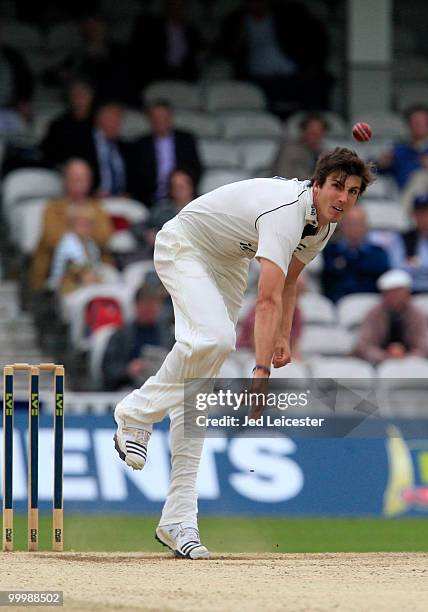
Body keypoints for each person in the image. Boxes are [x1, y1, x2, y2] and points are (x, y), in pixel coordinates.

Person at [113, 147, 375, 559]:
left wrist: (284, 336)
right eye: (338, 187)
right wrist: (261, 369)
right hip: (185, 245)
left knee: (197, 388)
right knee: (216, 339)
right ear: (318, 183)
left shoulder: (323, 226)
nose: (344, 198)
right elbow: (266, 299)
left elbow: (289, 283)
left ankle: (179, 520)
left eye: (354, 192)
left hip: (229, 261)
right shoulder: (289, 210)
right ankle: (136, 413)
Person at [30, 158, 114, 290]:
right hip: (57, 270)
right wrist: (81, 231)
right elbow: (51, 238)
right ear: (66, 180)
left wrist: (77, 230)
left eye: (83, 178)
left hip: (94, 267)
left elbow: (105, 237)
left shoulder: (98, 209)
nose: (79, 182)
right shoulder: (52, 209)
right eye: (75, 178)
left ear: (90, 181)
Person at [129, 100, 202, 206]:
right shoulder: (141, 144)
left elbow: (195, 168)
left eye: (163, 117)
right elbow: (136, 176)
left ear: (171, 118)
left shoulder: (186, 139)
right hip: (151, 199)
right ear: (150, 119)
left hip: (182, 197)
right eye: (156, 117)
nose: (160, 121)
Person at [102, 279, 169, 391]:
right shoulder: (120, 336)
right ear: (136, 305)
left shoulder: (169, 336)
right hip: (129, 390)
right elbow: (108, 370)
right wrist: (127, 370)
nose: (152, 309)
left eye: (155, 304)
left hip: (162, 389)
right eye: (147, 304)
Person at [354, 269, 428, 365]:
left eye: (398, 292)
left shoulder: (418, 315)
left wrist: (405, 358)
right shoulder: (373, 314)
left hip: (412, 364)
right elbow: (364, 345)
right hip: (375, 364)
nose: (395, 296)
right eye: (390, 293)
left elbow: (423, 348)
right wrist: (386, 357)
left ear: (407, 293)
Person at [321, 207, 390, 303]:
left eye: (359, 224)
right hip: (338, 303)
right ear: (341, 226)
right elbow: (327, 281)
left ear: (366, 227)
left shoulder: (378, 253)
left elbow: (384, 281)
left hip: (372, 302)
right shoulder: (330, 251)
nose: (354, 228)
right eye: (350, 223)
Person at [132, 169, 195, 253]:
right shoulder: (161, 208)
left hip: (194, 255)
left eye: (181, 186)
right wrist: (147, 234)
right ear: (170, 189)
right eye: (174, 187)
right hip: (164, 255)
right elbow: (138, 226)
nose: (178, 190)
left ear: (190, 187)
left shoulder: (201, 208)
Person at [377, 105, 428, 191]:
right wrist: (380, 164)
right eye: (416, 122)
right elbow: (370, 172)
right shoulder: (399, 152)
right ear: (408, 125)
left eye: (423, 122)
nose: (419, 125)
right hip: (405, 199)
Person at [41, 78, 95, 168]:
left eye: (83, 93)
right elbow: (48, 154)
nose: (79, 98)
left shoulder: (101, 123)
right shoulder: (58, 125)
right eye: (75, 94)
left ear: (92, 96)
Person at [387, 193, 428, 293]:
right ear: (413, 214)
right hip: (409, 290)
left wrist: (415, 264)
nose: (423, 217)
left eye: (426, 212)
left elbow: (405, 265)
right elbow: (395, 266)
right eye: (420, 213)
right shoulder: (402, 237)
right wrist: (427, 268)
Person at [48, 206, 102, 293]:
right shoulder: (67, 243)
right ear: (72, 225)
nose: (85, 228)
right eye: (81, 224)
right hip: (65, 289)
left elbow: (96, 268)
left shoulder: (91, 244)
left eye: (88, 224)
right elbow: (76, 272)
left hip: (84, 285)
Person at [272, 114, 328, 180]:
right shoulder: (289, 151)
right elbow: (284, 178)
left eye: (319, 134)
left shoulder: (324, 153)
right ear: (303, 131)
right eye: (312, 133)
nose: (315, 137)